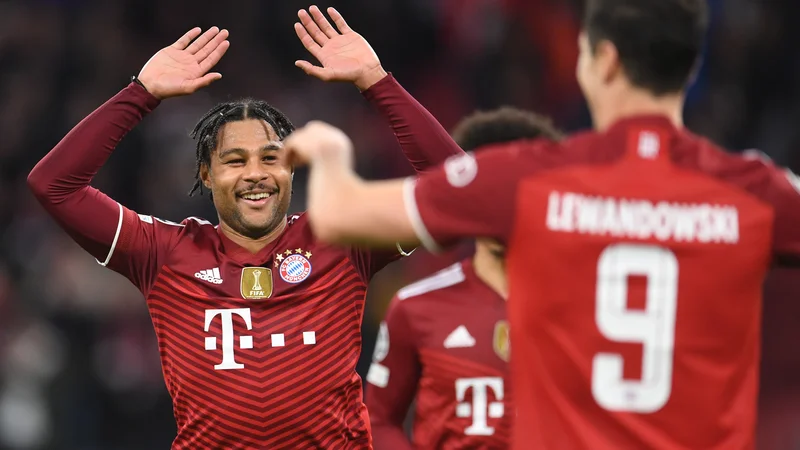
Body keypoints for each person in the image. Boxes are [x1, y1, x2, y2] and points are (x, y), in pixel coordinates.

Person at [286, 0, 800, 448]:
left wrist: (330, 151)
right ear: (690, 66)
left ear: (604, 59)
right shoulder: (755, 192)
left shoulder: (535, 180)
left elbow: (339, 214)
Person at [28, 8, 468, 449]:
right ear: (205, 175)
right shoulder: (163, 251)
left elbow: (458, 188)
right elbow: (54, 185)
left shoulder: (343, 237)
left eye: (271, 158)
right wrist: (140, 95)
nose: (255, 174)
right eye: (235, 161)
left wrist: (377, 82)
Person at [365, 108, 562, 449]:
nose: (501, 209)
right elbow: (381, 420)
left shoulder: (588, 305)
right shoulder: (415, 308)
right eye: (490, 191)